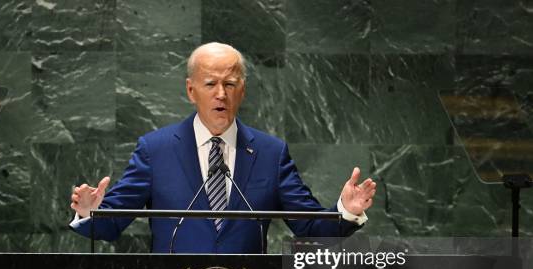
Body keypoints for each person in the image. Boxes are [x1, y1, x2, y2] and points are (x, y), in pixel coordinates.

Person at [70, 42, 376, 253]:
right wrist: (90, 213)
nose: (221, 94)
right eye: (210, 84)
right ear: (191, 90)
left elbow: (309, 226)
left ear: (242, 90)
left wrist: (345, 212)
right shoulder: (156, 150)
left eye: (230, 84)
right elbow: (110, 226)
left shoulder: (270, 154)